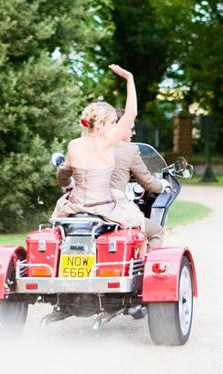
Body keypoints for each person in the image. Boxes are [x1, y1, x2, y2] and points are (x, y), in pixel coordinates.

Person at [57, 108, 169, 248]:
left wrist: (68, 184)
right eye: (130, 128)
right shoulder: (129, 150)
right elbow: (149, 183)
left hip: (77, 209)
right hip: (111, 210)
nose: (133, 133)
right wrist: (163, 185)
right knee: (156, 231)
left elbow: (62, 174)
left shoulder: (82, 146)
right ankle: (143, 268)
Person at [51, 65, 145, 231]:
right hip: (103, 207)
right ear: (101, 124)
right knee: (138, 222)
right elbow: (131, 113)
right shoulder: (107, 143)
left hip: (75, 206)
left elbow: (64, 174)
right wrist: (129, 79)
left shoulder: (74, 144)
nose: (115, 126)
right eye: (113, 122)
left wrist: (66, 183)